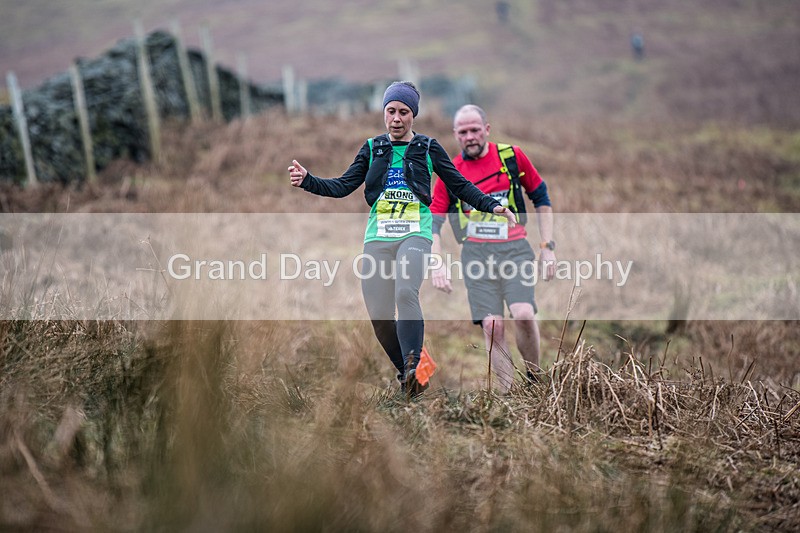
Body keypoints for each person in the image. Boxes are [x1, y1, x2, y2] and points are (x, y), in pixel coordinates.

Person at [288, 82, 516, 395]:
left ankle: (412, 363)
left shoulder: (428, 148)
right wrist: (307, 181)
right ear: (384, 113)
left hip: (414, 234)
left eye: (404, 112)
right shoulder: (372, 148)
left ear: (413, 116)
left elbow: (460, 186)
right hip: (378, 237)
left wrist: (493, 205)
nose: (396, 118)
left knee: (405, 292)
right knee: (379, 315)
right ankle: (414, 375)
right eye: (391, 111)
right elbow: (342, 186)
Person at [429, 104, 555, 393]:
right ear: (455, 135)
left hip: (515, 250)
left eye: (475, 130)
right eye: (463, 132)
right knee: (492, 326)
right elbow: (432, 224)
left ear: (487, 129)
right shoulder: (450, 172)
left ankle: (536, 382)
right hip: (476, 255)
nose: (470, 136)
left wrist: (547, 246)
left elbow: (541, 197)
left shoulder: (512, 157)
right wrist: (437, 263)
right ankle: (509, 395)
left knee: (523, 314)